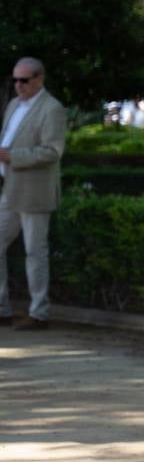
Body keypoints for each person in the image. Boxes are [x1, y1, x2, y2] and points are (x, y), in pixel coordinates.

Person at [0, 57, 67, 330]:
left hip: (35, 192)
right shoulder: (14, 105)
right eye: (15, 80)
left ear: (39, 79)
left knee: (35, 253)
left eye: (24, 80)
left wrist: (11, 156)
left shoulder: (52, 109)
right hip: (10, 189)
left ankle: (39, 313)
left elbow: (52, 151)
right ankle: (2, 308)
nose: (18, 85)